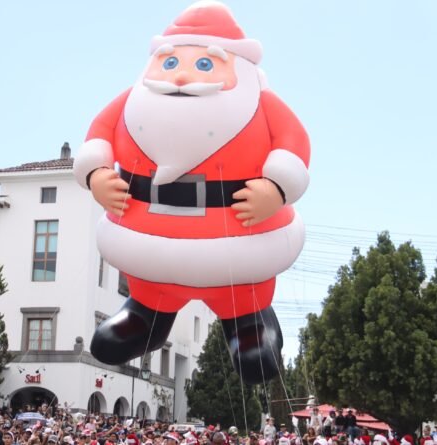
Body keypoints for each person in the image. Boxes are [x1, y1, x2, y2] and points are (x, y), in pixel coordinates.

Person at [75, 0, 310, 385]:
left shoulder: (261, 102)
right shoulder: (132, 100)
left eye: (204, 64)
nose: (183, 75)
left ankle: (248, 324)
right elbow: (98, 135)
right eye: (170, 63)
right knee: (150, 286)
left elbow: (294, 142)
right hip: (148, 236)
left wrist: (278, 186)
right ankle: (145, 315)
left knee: (242, 292)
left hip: (237, 233)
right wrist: (96, 174)